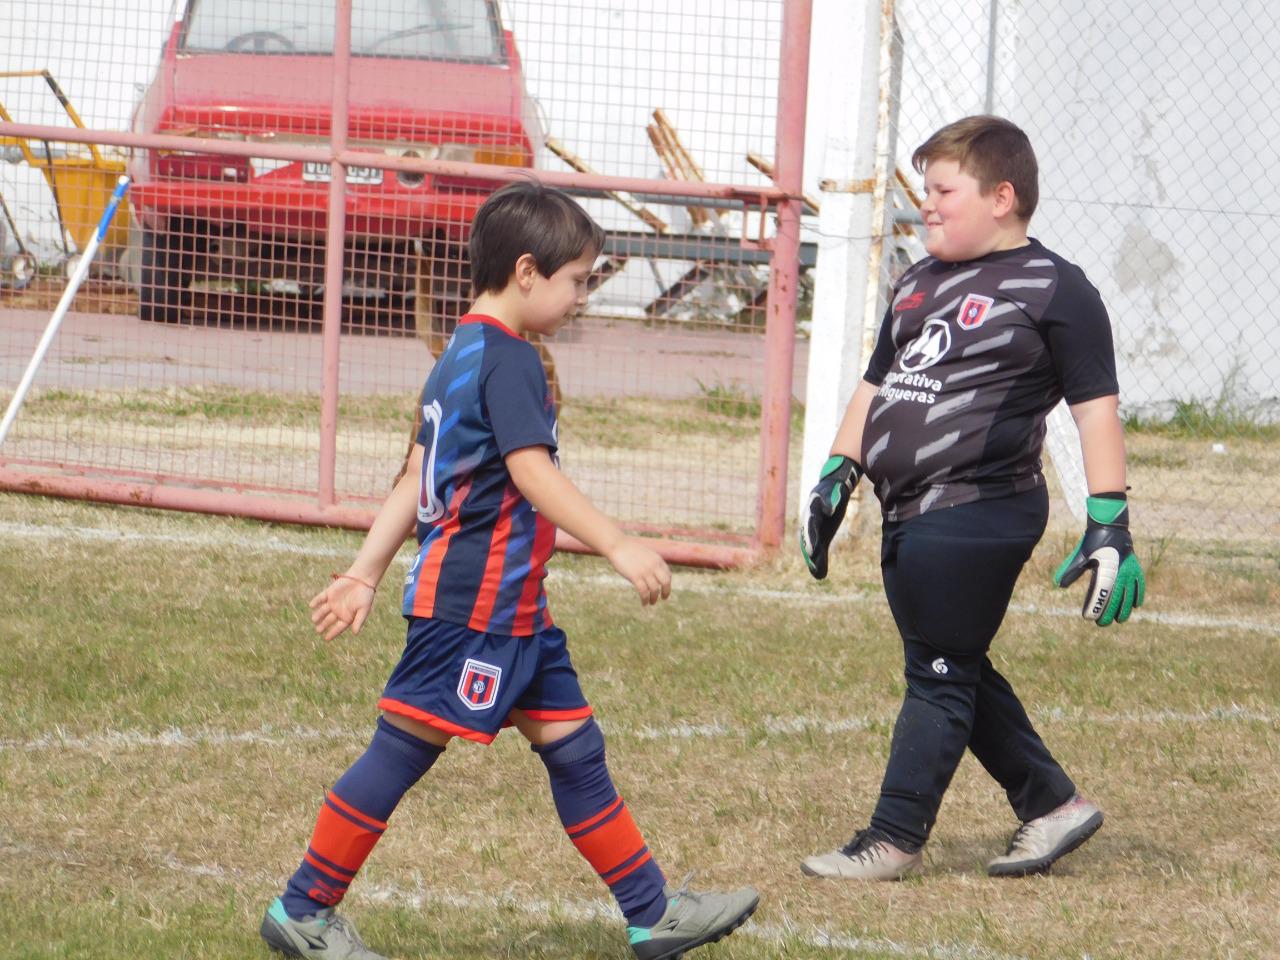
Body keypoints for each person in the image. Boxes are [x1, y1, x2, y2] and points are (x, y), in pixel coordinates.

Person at [259, 180, 758, 959]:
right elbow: (531, 473)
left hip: (518, 614)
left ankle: (652, 912)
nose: (582, 297)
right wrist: (619, 543)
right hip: (472, 609)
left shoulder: (459, 350)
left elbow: (413, 473)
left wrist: (363, 572)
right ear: (527, 271)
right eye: (578, 280)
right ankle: (303, 911)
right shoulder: (509, 358)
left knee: (575, 748)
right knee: (401, 750)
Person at [797, 116, 1145, 881]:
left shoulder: (1058, 288)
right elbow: (875, 383)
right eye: (924, 190)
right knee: (947, 661)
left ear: (1002, 197)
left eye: (943, 190)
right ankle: (1053, 804)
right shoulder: (918, 281)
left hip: (983, 510)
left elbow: (1096, 411)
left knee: (939, 675)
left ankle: (891, 840)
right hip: (907, 512)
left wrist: (1110, 520)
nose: (927, 205)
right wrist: (834, 474)